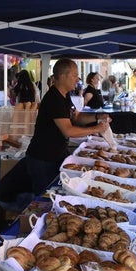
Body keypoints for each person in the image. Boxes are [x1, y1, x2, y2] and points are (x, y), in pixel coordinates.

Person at [25, 58, 112, 195]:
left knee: (58, 192)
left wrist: (97, 117)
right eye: (74, 75)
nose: (77, 79)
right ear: (63, 76)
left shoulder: (64, 96)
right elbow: (68, 130)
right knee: (44, 197)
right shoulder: (53, 99)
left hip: (57, 154)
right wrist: (96, 129)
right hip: (43, 158)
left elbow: (76, 117)